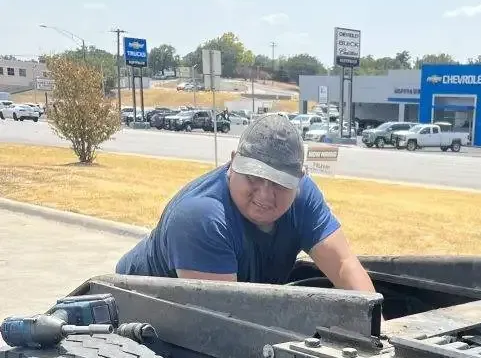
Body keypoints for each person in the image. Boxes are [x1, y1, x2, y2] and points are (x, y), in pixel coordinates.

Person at [115, 113, 376, 294]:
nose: (264, 194)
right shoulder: (201, 217)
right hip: (142, 307)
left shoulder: (303, 196)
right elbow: (224, 320)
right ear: (232, 163)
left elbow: (343, 266)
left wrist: (381, 337)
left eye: (279, 183)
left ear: (299, 180)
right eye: (253, 177)